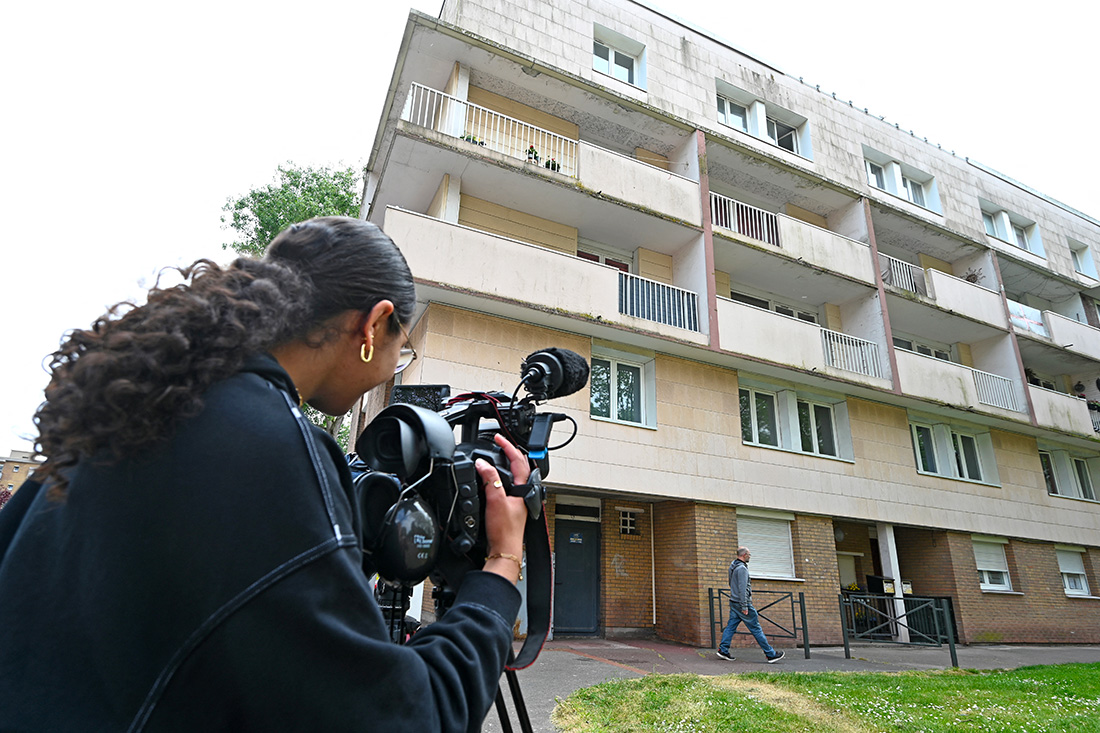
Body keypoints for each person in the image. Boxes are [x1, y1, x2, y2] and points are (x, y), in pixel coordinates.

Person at [0, 217, 530, 732]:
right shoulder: (270, 445)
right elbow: (407, 718)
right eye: (402, 347)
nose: (394, 366)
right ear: (373, 325)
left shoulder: (143, 409)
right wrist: (501, 565)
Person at [715, 546, 785, 663]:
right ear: (744, 555)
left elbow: (731, 583)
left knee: (731, 626)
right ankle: (770, 654)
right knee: (756, 628)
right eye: (749, 554)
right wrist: (744, 606)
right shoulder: (741, 569)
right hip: (742, 603)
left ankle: (723, 650)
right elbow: (742, 589)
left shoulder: (733, 566)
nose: (750, 556)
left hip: (734, 601)